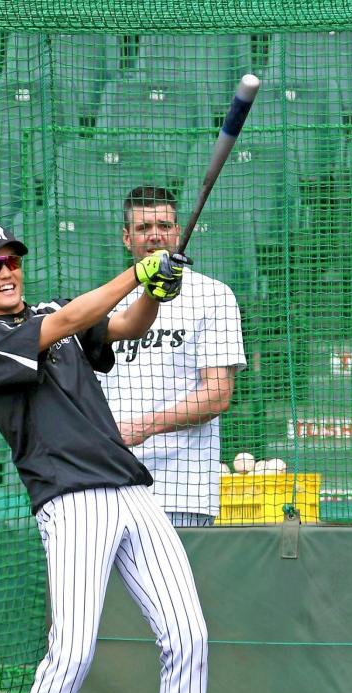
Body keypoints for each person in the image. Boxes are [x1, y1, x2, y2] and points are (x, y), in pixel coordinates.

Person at [0, 221, 242, 693]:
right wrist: (136, 272)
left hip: (133, 491)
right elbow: (62, 326)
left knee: (188, 634)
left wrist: (153, 293)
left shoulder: (55, 311)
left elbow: (120, 327)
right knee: (74, 649)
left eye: (12, 259)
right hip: (71, 498)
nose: (6, 271)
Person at [102, 186, 247, 527]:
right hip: (109, 486)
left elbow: (217, 395)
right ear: (126, 238)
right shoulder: (105, 301)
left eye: (164, 225)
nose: (155, 236)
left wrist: (143, 427)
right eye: (142, 228)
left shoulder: (212, 296)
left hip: (181, 490)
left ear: (179, 232)